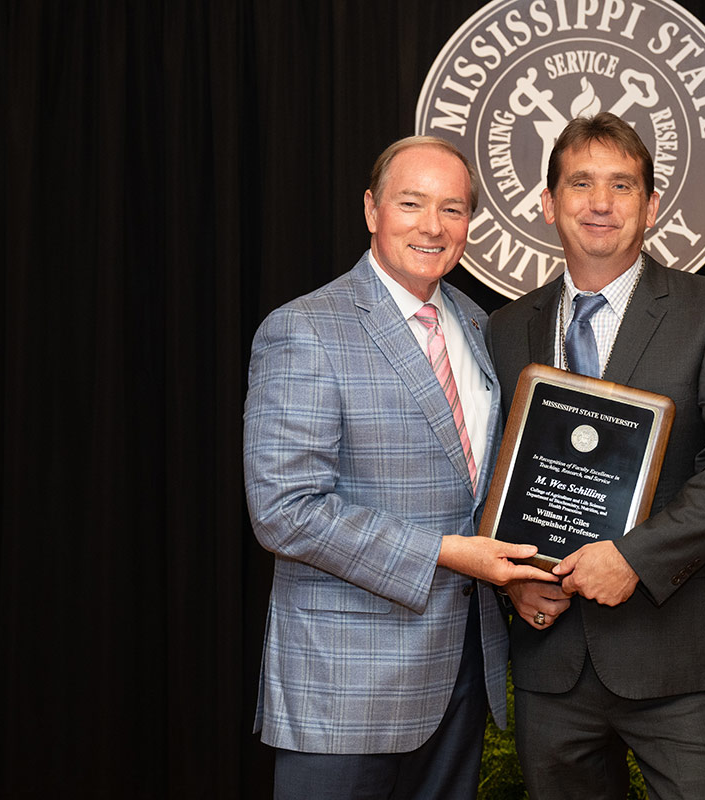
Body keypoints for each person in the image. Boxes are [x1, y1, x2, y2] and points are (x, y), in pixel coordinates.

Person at [243, 135, 555, 800]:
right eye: (411, 203)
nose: (432, 226)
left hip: (460, 678)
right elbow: (283, 511)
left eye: (453, 209)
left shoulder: (476, 325)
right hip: (345, 690)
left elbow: (483, 487)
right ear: (370, 210)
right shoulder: (305, 328)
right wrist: (446, 553)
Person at [486, 112, 705, 800]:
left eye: (623, 184)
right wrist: (510, 577)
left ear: (650, 205)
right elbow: (489, 476)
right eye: (580, 183)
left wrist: (634, 559)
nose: (601, 202)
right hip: (551, 653)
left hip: (677, 653)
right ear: (548, 202)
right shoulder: (502, 330)